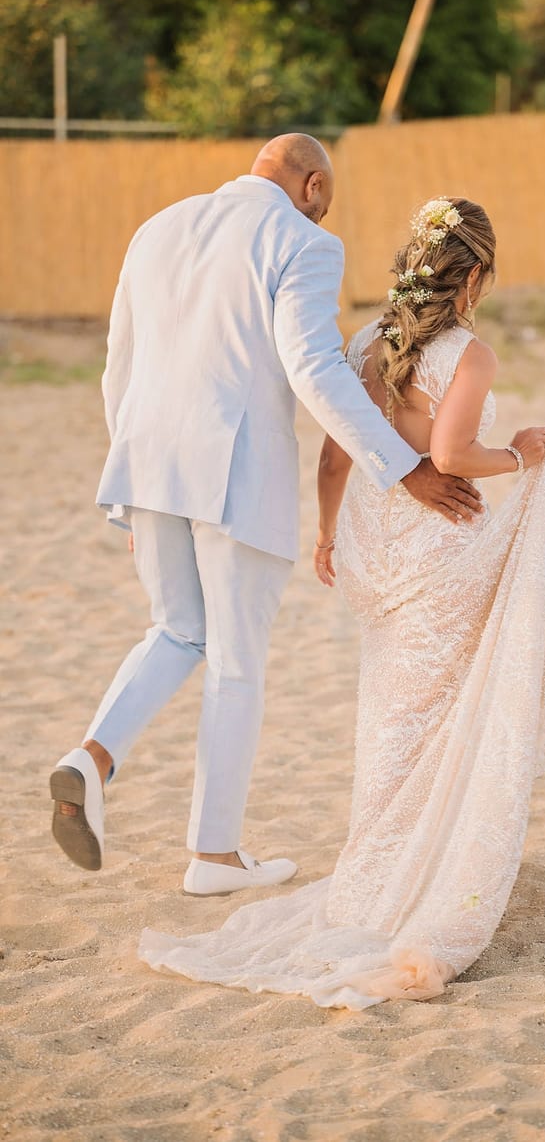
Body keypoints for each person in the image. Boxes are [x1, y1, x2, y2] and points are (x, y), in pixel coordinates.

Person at [139, 196, 545, 1005]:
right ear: (476, 275)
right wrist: (519, 454)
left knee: (394, 716)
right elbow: (454, 453)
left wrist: (326, 538)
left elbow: (334, 456)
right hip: (443, 556)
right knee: (451, 711)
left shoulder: (363, 345)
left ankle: (382, 868)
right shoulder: (469, 355)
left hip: (377, 559)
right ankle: (427, 868)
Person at [49, 140, 485, 896]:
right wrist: (402, 466)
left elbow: (119, 361)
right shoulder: (305, 242)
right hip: (232, 470)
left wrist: (128, 491)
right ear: (312, 184)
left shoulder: (157, 227)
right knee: (236, 661)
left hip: (147, 462)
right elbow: (312, 367)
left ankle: (92, 757)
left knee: (177, 630)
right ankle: (212, 858)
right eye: (326, 196)